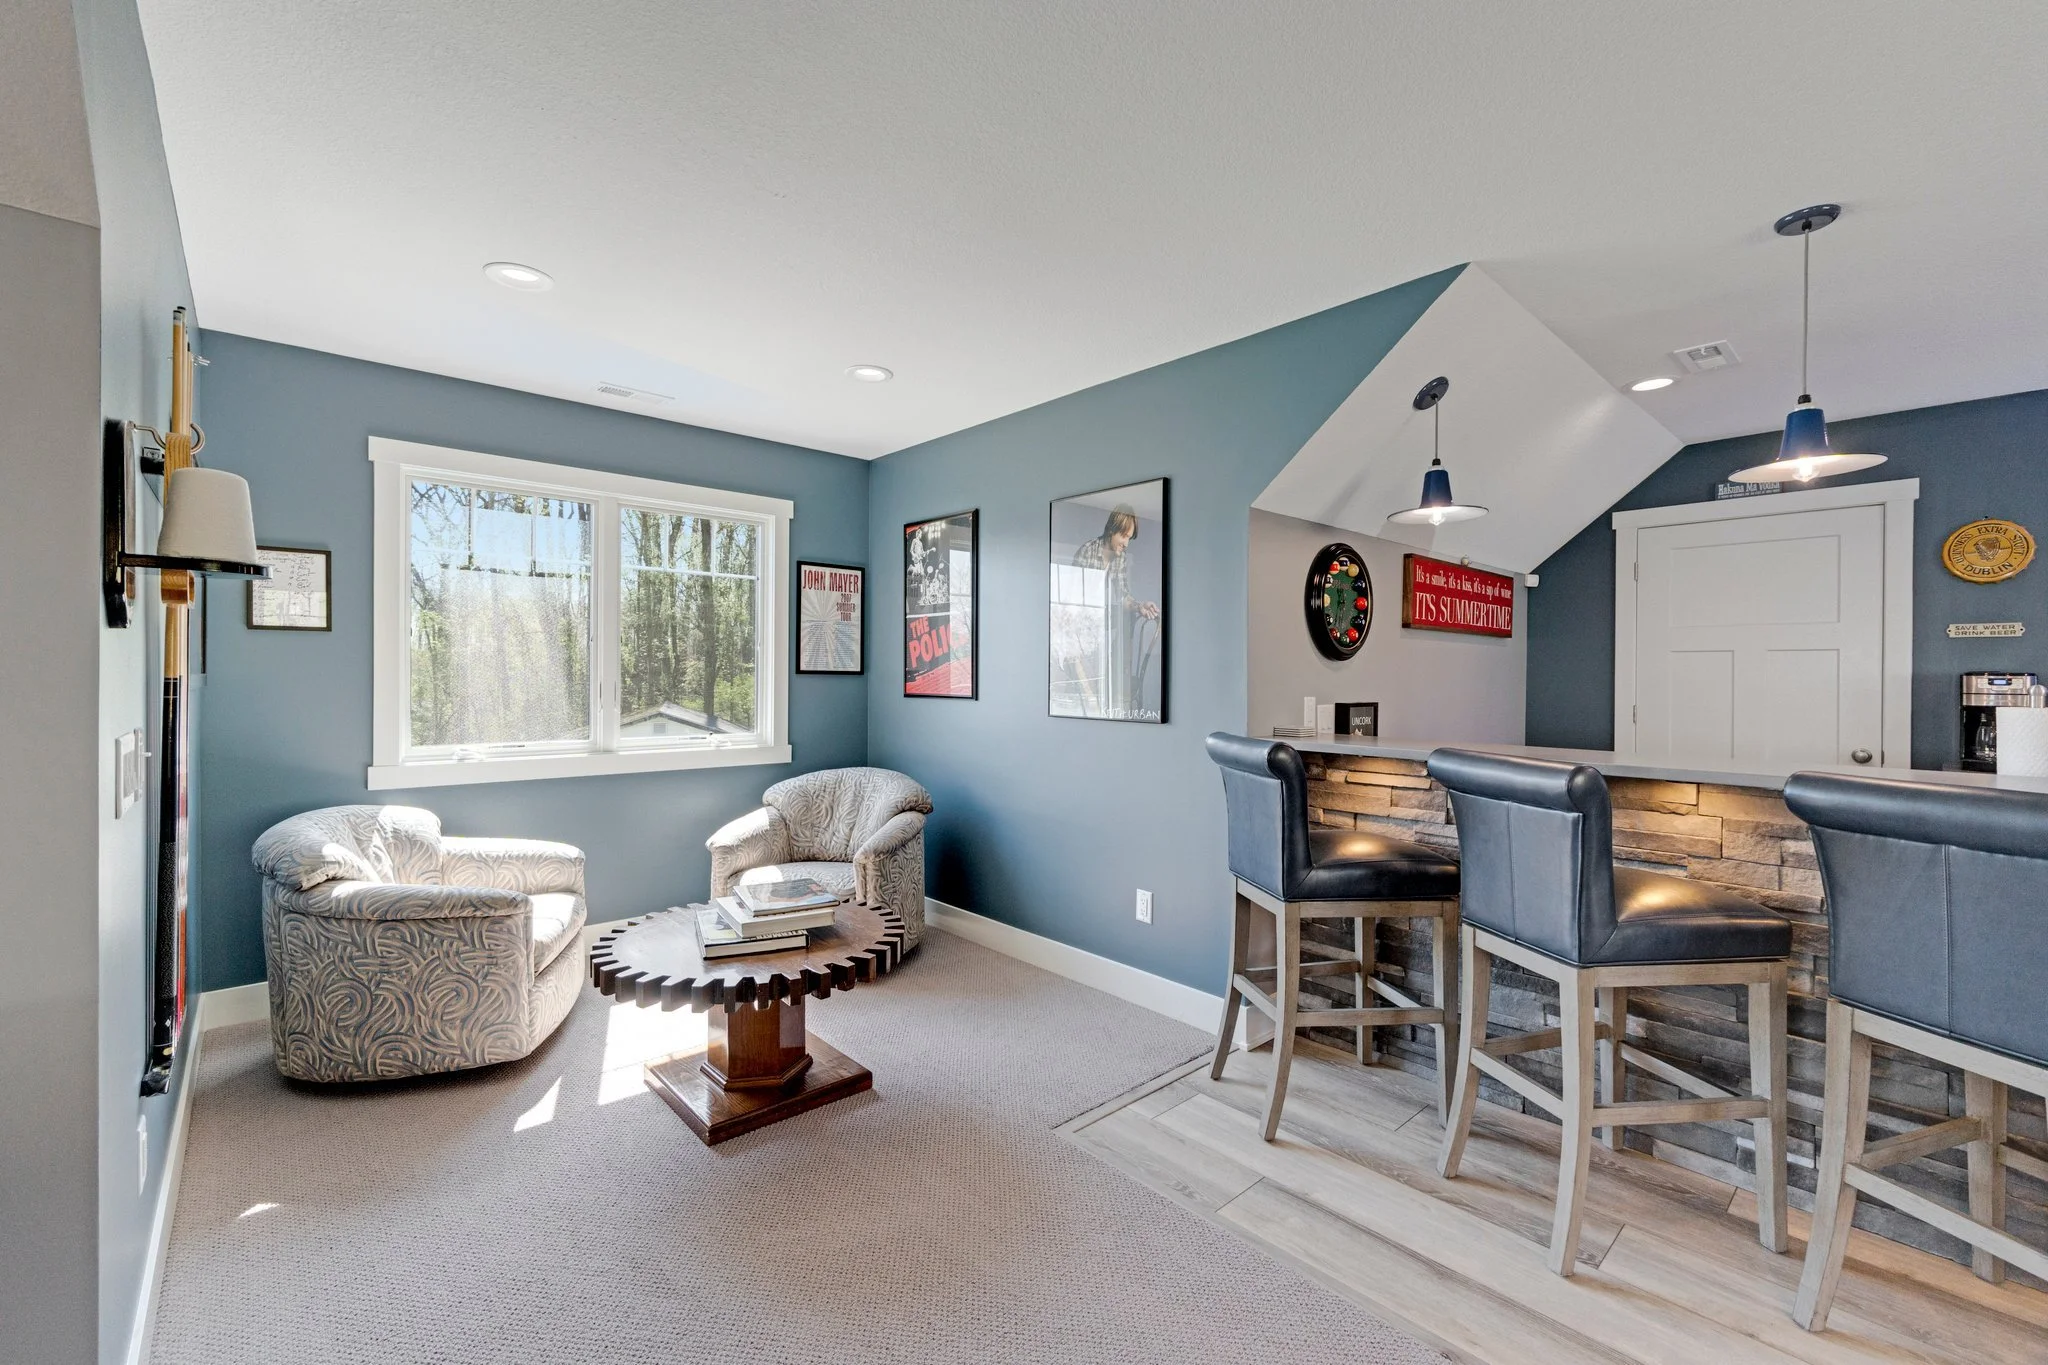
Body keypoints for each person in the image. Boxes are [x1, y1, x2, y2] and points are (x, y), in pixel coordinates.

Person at [1067, 505, 1160, 717]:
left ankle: (1114, 698)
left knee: (1105, 686)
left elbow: (1122, 595)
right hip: (1078, 630)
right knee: (1088, 695)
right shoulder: (1088, 551)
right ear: (1111, 530)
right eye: (1123, 536)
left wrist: (1139, 606)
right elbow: (1072, 598)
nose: (1126, 543)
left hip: (1099, 630)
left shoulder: (1121, 559)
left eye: (1129, 538)